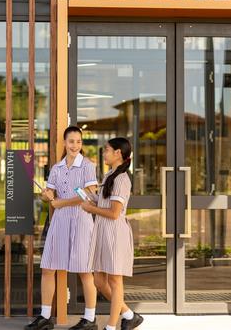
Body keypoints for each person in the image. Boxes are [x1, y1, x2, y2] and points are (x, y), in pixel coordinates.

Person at [25, 126, 100, 330]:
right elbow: (48, 192)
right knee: (48, 268)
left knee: (85, 271)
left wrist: (60, 202)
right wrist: (46, 195)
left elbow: (89, 194)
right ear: (65, 143)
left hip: (81, 222)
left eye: (78, 141)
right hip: (60, 222)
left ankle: (90, 319)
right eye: (71, 141)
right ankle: (45, 317)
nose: (75, 145)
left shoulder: (88, 166)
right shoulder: (57, 168)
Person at [81, 138, 143, 330]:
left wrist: (92, 209)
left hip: (115, 233)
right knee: (99, 280)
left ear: (118, 153)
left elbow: (115, 213)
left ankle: (111, 326)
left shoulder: (123, 179)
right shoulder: (110, 175)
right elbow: (105, 204)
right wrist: (90, 198)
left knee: (115, 281)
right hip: (103, 232)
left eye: (107, 150)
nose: (104, 153)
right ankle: (129, 315)